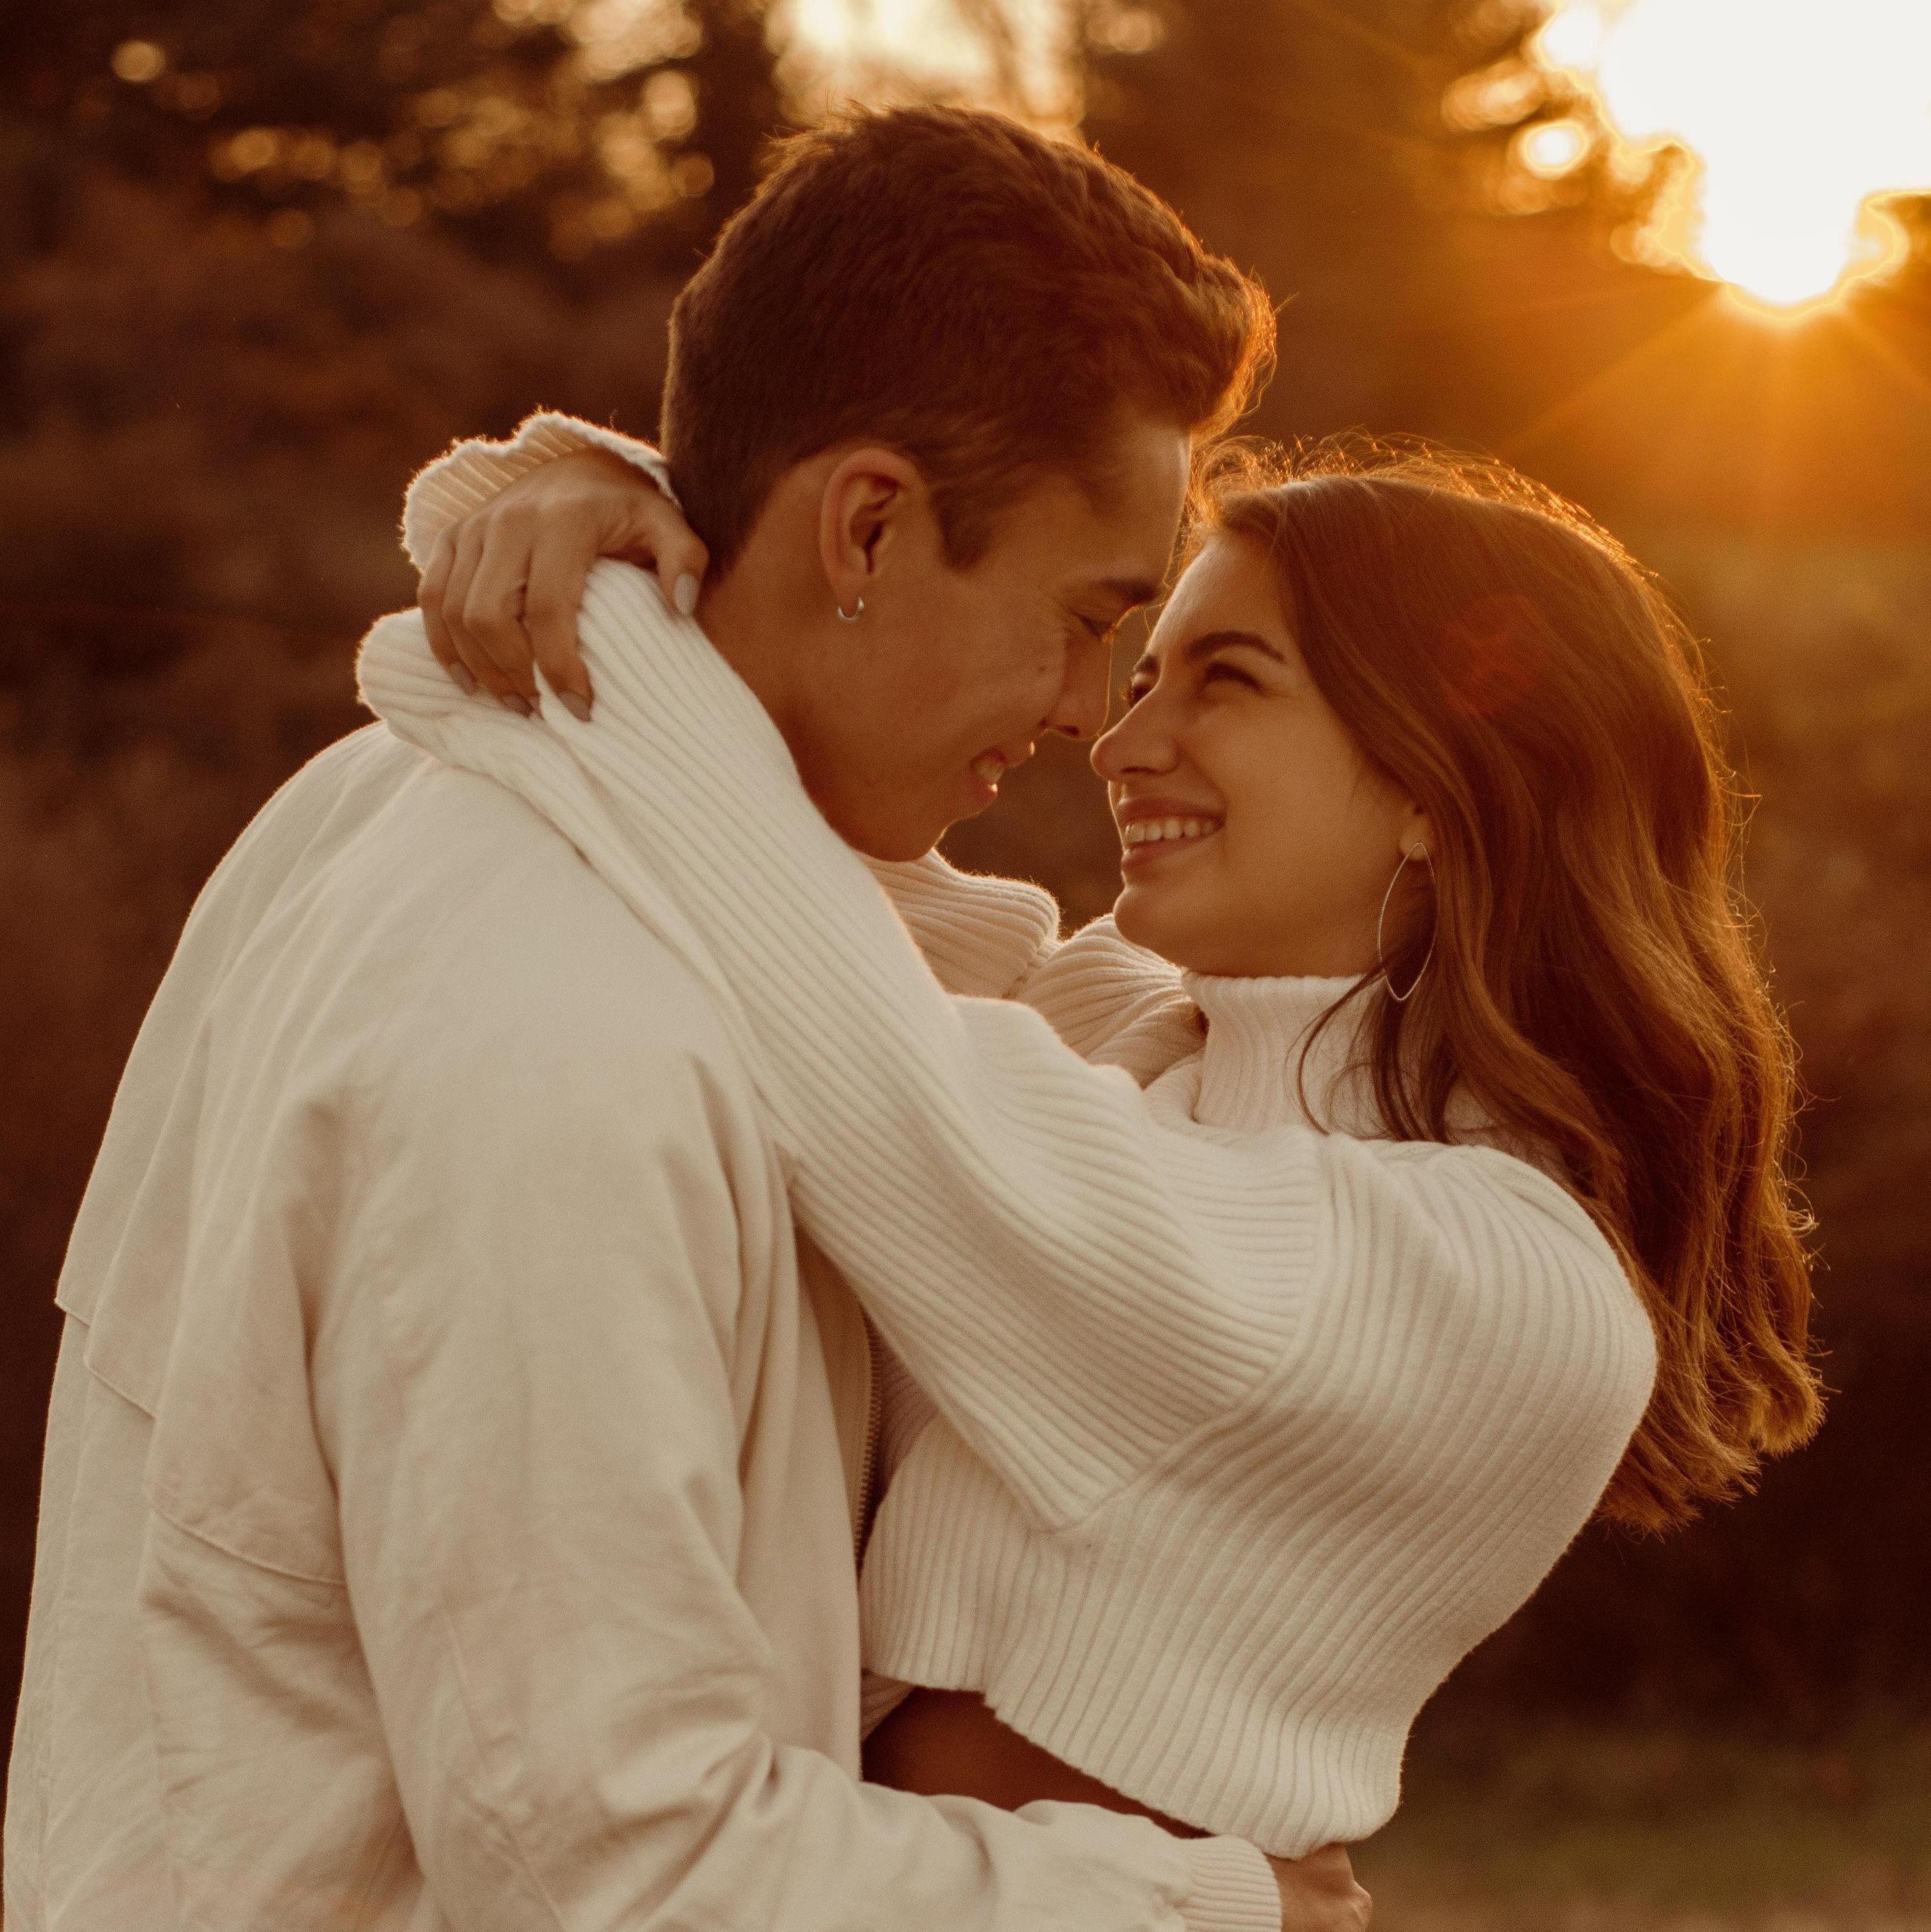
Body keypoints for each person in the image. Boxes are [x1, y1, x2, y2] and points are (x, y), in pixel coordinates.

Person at [3, 108, 1380, 1932]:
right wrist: (1192, 1910)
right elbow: (622, 1872)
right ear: (868, 526)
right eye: (1081, 620)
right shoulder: (566, 1058)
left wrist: (588, 494)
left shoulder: (404, 790)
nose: (1081, 713)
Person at [372, 426, 1821, 1852]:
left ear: (1439, 787)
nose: (1118, 742)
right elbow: (780, 846)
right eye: (1138, 677)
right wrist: (586, 499)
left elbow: (845, 1023)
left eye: (1225, 680)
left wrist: (606, 605)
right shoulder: (1139, 1043)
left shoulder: (1498, 1285)